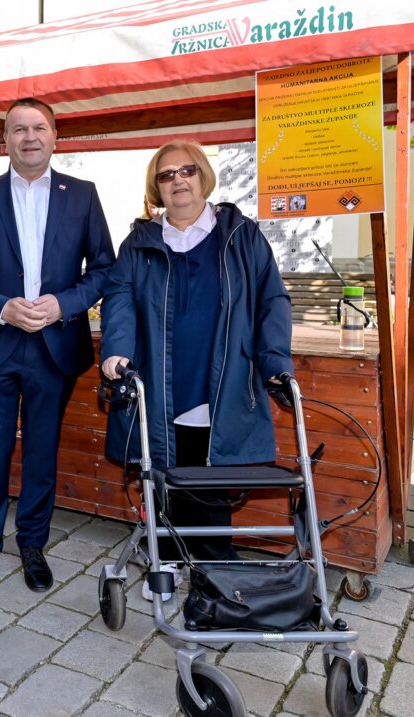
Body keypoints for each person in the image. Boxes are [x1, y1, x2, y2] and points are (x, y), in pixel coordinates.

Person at [100, 139, 293, 600]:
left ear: (203, 176)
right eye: (166, 175)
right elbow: (119, 299)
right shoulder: (139, 243)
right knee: (163, 474)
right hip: (160, 380)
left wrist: (275, 362)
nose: (178, 180)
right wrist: (116, 351)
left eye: (186, 170)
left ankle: (215, 568)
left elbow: (272, 300)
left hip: (223, 381)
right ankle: (164, 561)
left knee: (212, 479)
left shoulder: (241, 235)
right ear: (157, 187)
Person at [0, 98, 115, 602]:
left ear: (54, 136)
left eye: (38, 128)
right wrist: (1, 306)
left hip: (55, 346)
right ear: (6, 139)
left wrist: (64, 304)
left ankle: (33, 545)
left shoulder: (82, 195)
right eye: (18, 129)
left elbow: (104, 269)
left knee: (42, 452)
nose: (29, 137)